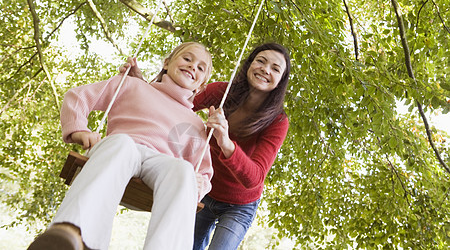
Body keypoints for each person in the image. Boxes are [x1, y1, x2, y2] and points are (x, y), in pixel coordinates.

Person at [28, 42, 214, 250]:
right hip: (121, 151)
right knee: (121, 143)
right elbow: (78, 97)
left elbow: (204, 172)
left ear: (201, 85)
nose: (192, 67)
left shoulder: (196, 124)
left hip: (163, 165)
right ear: (167, 62)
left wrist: (197, 184)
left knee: (183, 169)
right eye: (187, 59)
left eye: (200, 68)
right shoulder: (131, 85)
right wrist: (79, 129)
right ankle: (75, 234)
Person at [121, 42, 291, 250]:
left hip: (239, 204)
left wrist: (225, 141)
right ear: (249, 65)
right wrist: (139, 84)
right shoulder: (221, 91)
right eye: (261, 61)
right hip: (203, 189)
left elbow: (254, 178)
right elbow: (169, 102)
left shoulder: (277, 121)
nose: (265, 70)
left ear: (281, 80)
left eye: (275, 69)